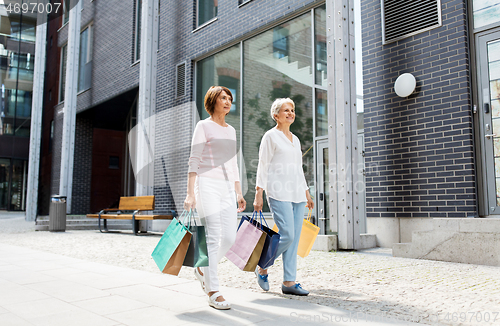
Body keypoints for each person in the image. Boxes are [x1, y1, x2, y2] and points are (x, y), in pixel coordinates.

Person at [184, 86, 246, 310]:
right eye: (223, 97)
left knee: (229, 238)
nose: (228, 101)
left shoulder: (231, 130)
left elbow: (233, 164)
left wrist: (238, 191)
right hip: (206, 184)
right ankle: (213, 291)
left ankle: (203, 268)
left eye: (230, 98)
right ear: (213, 101)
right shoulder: (203, 126)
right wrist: (190, 193)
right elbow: (194, 160)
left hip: (227, 188)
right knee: (212, 237)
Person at [253, 97, 314, 296]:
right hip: (278, 191)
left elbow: (298, 168)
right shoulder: (270, 137)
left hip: (297, 192)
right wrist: (258, 193)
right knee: (286, 234)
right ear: (276, 115)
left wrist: (306, 192)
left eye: (292, 110)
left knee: (294, 239)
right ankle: (262, 265)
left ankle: (289, 282)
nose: (290, 113)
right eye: (286, 110)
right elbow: (262, 165)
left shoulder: (295, 139)